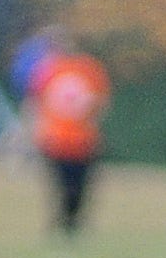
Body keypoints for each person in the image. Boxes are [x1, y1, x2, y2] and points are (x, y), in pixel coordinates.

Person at [27, 39, 112, 237]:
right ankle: (64, 223)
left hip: (80, 141)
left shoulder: (86, 70)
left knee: (76, 187)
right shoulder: (53, 70)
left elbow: (100, 103)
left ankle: (71, 224)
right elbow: (36, 102)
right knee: (63, 187)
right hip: (58, 140)